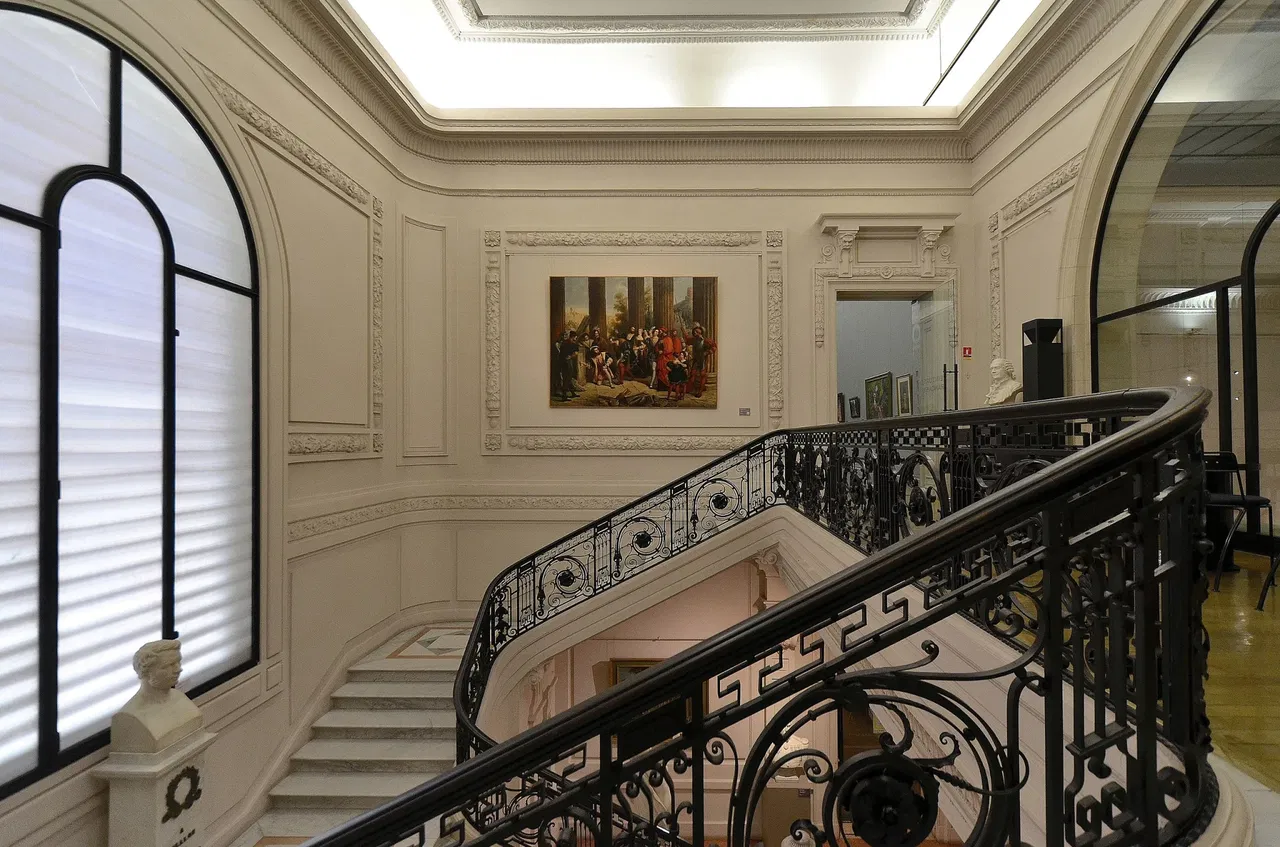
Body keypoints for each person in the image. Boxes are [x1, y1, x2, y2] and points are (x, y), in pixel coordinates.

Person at [687, 324, 716, 397]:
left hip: (702, 360)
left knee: (702, 375)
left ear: (701, 333)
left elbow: (714, 347)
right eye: (695, 332)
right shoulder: (694, 340)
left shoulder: (706, 341)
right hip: (696, 360)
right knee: (693, 374)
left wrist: (707, 352)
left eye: (697, 332)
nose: (695, 333)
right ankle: (693, 389)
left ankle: (700, 391)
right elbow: (687, 339)